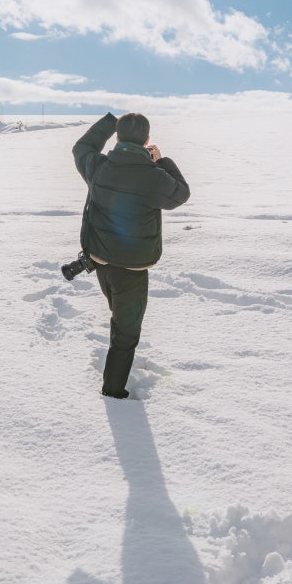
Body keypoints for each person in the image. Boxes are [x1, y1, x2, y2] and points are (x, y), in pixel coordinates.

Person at [72, 112, 190, 399]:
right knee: (126, 333)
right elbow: (181, 194)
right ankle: (113, 392)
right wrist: (162, 161)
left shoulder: (99, 167)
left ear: (117, 137)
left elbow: (82, 148)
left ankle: (116, 369)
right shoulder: (155, 177)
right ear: (147, 140)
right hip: (132, 272)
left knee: (120, 316)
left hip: (101, 263)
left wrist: (109, 121)